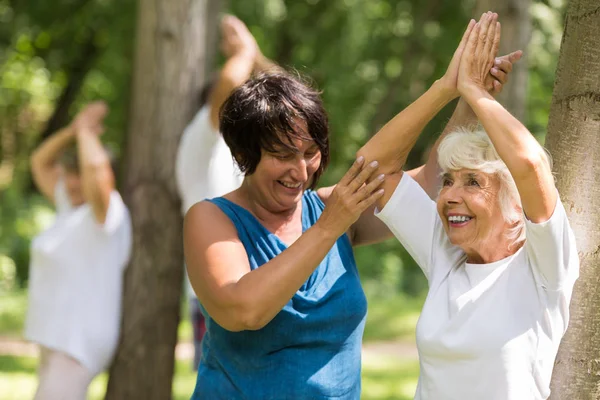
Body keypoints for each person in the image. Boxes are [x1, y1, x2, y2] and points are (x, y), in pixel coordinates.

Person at [183, 48, 517, 397]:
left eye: (310, 153)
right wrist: (329, 226)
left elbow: (430, 180)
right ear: (243, 155)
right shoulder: (211, 218)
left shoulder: (330, 207)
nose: (300, 171)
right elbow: (243, 310)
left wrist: (463, 94)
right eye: (283, 156)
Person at [358, 12, 579, 399]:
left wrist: (475, 91)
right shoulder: (445, 252)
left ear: (516, 208)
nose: (449, 196)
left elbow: (529, 164)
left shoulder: (544, 264)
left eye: (472, 182)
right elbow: (373, 167)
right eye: (448, 181)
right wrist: (447, 88)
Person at [175, 14, 280, 370]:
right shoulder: (202, 138)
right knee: (228, 384)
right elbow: (230, 82)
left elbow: (291, 100)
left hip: (259, 282)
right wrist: (244, 51)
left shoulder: (245, 149)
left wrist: (257, 55)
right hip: (221, 290)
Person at [25, 102, 132, 400]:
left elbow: (96, 171)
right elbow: (40, 162)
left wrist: (86, 132)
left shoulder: (106, 214)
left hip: (77, 343)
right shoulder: (69, 209)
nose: (72, 182)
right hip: (56, 339)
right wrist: (74, 129)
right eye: (69, 174)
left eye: (79, 174)